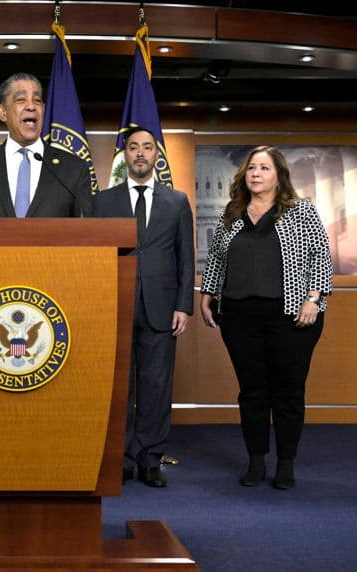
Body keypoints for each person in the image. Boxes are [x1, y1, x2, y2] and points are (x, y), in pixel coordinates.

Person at [200, 145, 333, 490]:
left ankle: (285, 463)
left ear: (279, 176)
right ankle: (256, 461)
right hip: (239, 317)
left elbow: (321, 256)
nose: (255, 174)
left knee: (288, 391)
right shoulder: (232, 213)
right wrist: (207, 295)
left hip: (291, 318)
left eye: (264, 168)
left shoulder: (302, 211)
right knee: (252, 392)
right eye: (251, 168)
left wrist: (313, 299)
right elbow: (216, 259)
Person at [93, 126, 194, 488]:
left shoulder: (177, 201)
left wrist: (184, 306)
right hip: (114, 306)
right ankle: (119, 460)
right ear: (124, 155)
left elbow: (185, 258)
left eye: (147, 147)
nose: (140, 153)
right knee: (120, 387)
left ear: (156, 155)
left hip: (162, 308)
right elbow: (93, 257)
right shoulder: (102, 201)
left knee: (156, 387)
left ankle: (150, 460)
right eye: (133, 147)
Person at [0, 72, 91, 217]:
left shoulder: (74, 169)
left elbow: (87, 230)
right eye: (21, 100)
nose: (31, 106)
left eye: (37, 100)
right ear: (3, 112)